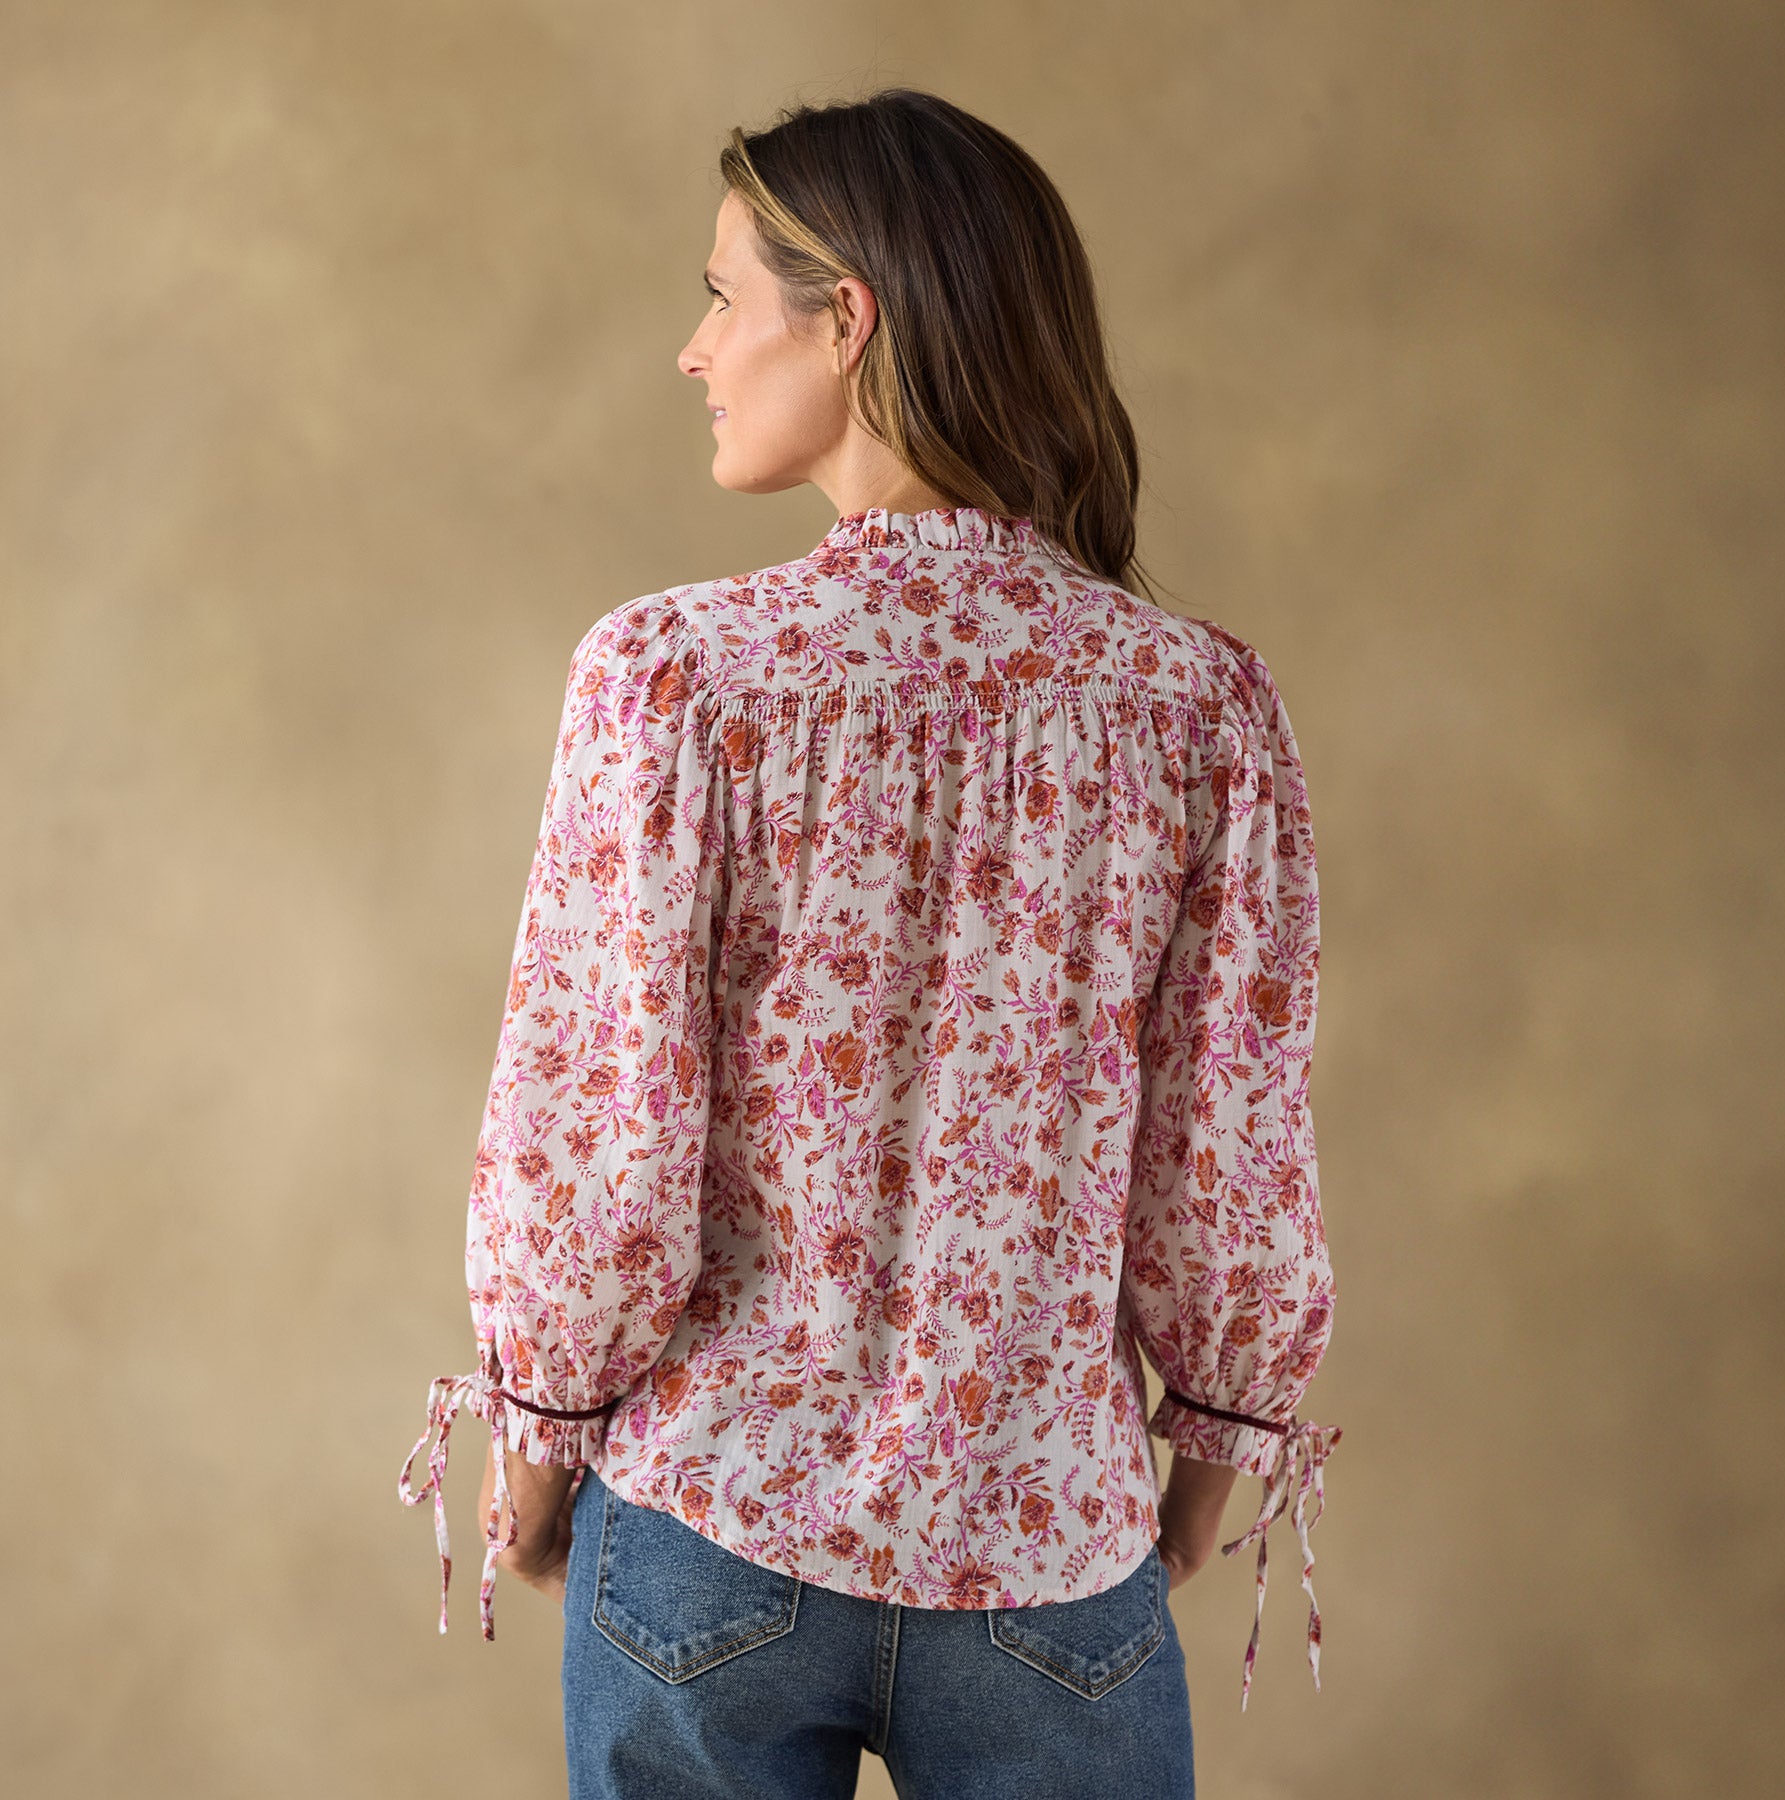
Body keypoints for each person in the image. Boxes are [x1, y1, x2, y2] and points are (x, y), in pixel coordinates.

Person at [398, 86, 1342, 1799]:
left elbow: (604, 1118)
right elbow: (1230, 1147)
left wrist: (538, 1440)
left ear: (849, 319)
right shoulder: (1197, 704)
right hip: (1050, 1547)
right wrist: (1215, 1439)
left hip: (712, 1530)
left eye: (720, 298)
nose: (693, 350)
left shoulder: (676, 677)